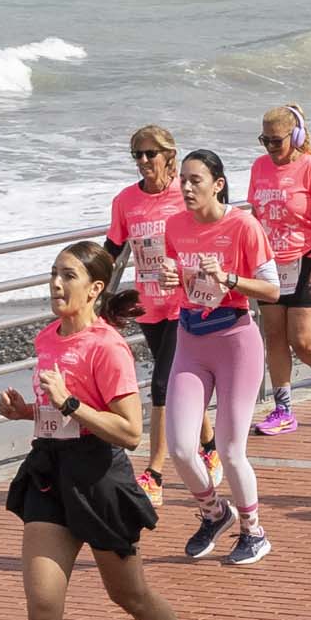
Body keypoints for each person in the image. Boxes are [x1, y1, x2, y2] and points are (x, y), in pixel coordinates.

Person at [0, 242, 213, 620]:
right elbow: (57, 418)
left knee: (129, 594)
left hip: (98, 477)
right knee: (43, 605)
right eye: (52, 275)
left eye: (68, 276)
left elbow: (131, 431)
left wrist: (69, 402)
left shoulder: (108, 347)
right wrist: (28, 412)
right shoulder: (47, 338)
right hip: (49, 473)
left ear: (93, 289)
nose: (56, 285)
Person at [162, 151, 281, 566]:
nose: (188, 188)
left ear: (219, 184)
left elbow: (272, 291)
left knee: (231, 451)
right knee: (179, 447)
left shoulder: (243, 226)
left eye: (197, 180)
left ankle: (254, 533)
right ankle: (215, 513)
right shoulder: (175, 226)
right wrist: (170, 279)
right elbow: (179, 281)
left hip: (236, 342)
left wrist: (228, 278)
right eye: (183, 181)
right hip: (190, 340)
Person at [245, 104, 311, 435]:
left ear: (295, 136)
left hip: (308, 257)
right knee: (273, 335)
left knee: (301, 339)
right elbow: (256, 216)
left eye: (276, 141)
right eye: (264, 140)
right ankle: (283, 409)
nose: (270, 148)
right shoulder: (259, 168)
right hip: (270, 262)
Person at [104, 126, 190, 418]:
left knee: (163, 385)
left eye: (150, 153)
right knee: (176, 379)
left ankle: (156, 461)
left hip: (184, 301)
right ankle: (208, 445)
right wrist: (90, 284)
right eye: (136, 155)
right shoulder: (125, 200)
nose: (142, 160)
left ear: (169, 156)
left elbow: (210, 236)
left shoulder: (187, 193)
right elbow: (112, 248)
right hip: (148, 303)